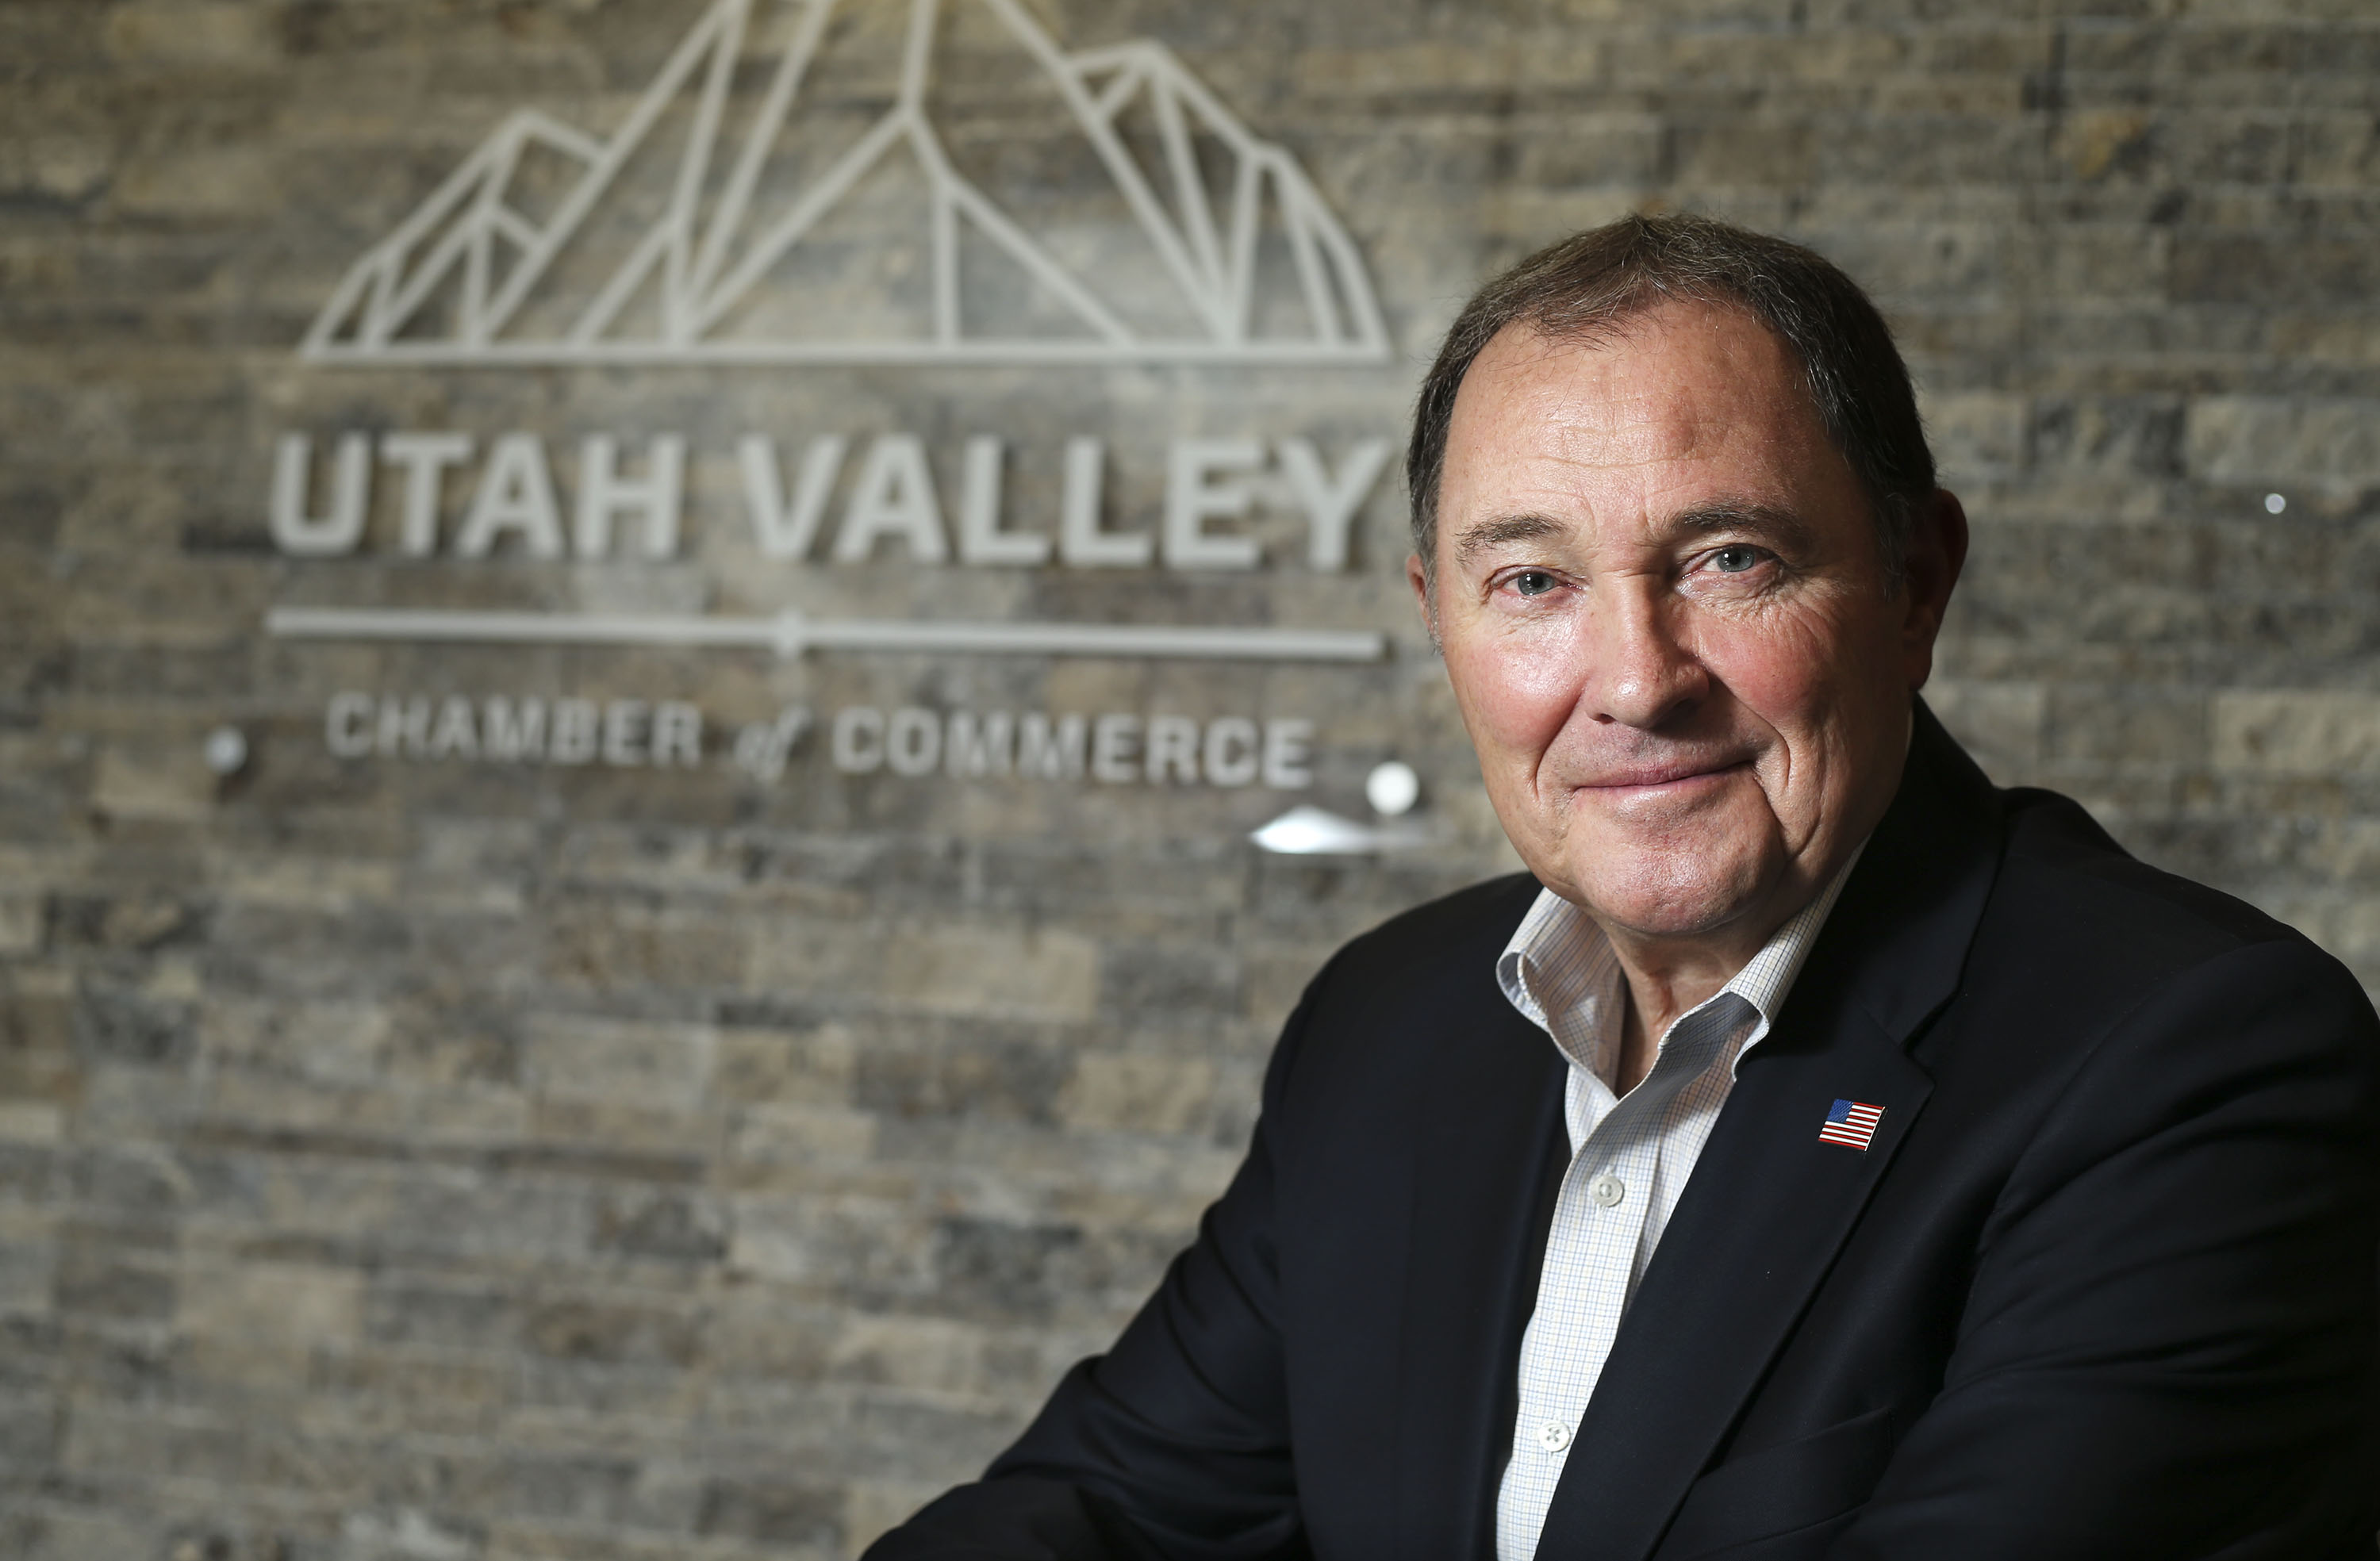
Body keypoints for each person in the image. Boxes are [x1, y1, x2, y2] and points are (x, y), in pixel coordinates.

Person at [865, 217, 2380, 1559]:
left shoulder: (2197, 1070)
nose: (1638, 682)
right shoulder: (1393, 1026)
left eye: (1727, 558)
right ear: (1438, 619)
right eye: (1532, 582)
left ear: (1917, 584)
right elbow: (1115, 1507)